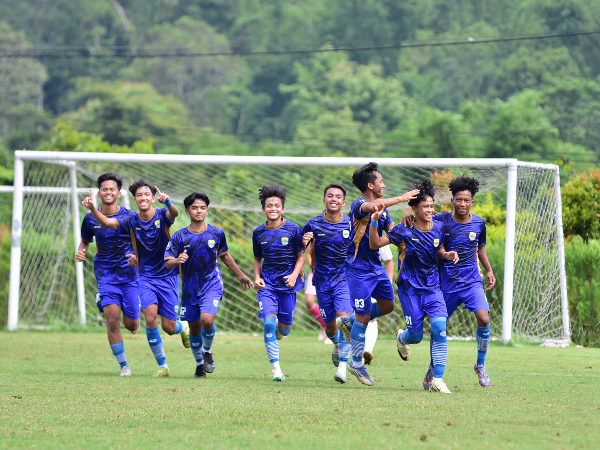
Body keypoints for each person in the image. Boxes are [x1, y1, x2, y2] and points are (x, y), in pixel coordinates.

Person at [82, 180, 190, 378]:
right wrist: (92, 210)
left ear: (153, 197)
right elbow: (107, 223)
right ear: (135, 199)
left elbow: (174, 214)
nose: (143, 198)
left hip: (167, 275)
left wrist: (168, 202)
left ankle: (183, 326)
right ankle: (163, 366)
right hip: (145, 276)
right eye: (139, 195)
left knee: (168, 326)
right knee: (150, 319)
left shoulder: (161, 214)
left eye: (147, 194)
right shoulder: (131, 220)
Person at [403, 175, 495, 388]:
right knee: (439, 326)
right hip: (446, 282)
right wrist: (408, 216)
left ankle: (480, 365)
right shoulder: (442, 220)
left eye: (467, 200)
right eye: (459, 200)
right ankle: (434, 368)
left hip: (472, 280)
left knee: (484, 318)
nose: (462, 204)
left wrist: (489, 270)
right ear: (452, 200)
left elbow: (480, 248)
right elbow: (422, 222)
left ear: (472, 202)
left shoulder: (480, 223)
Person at [369, 180, 458, 394]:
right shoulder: (404, 229)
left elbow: (440, 248)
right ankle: (402, 337)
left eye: (432, 206)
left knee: (439, 329)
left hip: (433, 288)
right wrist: (374, 222)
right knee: (416, 336)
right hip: (409, 289)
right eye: (425, 207)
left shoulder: (439, 227)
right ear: (414, 209)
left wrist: (447, 255)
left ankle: (437, 379)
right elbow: (374, 244)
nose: (429, 210)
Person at [336, 162, 419, 386]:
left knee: (387, 306)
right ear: (371, 185)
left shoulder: (384, 212)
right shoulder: (359, 204)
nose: (384, 184)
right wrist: (403, 197)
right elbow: (375, 207)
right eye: (381, 181)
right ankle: (357, 364)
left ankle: (348, 322)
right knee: (364, 316)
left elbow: (392, 233)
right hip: (358, 269)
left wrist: (407, 225)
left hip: (376, 267)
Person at [165, 192, 253, 378]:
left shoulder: (217, 233)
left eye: (202, 207)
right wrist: (177, 260)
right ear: (187, 211)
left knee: (207, 320)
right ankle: (199, 364)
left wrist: (241, 276)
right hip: (190, 288)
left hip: (212, 283)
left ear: (207, 210)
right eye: (195, 208)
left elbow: (225, 256)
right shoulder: (180, 236)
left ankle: (207, 351)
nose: (199, 211)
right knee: (195, 327)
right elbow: (167, 261)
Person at [76, 173, 139, 377]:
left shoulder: (129, 217)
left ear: (118, 193)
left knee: (132, 326)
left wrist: (138, 257)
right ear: (99, 193)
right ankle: (124, 366)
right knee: (112, 321)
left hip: (129, 276)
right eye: (104, 189)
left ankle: (131, 309)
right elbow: (86, 241)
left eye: (112, 189)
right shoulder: (88, 219)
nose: (108, 192)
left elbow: (142, 243)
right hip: (106, 275)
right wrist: (82, 250)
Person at [252, 185, 305, 382]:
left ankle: (279, 332)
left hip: (288, 285)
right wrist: (257, 277)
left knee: (284, 329)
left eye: (277, 205)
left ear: (282, 209)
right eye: (269, 205)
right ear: (263, 209)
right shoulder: (258, 233)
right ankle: (276, 370)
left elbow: (301, 256)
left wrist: (294, 275)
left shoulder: (293, 229)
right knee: (268, 323)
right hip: (268, 285)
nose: (273, 208)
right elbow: (257, 259)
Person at [301, 183, 353, 383]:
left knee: (345, 322)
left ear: (343, 202)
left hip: (343, 280)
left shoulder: (350, 224)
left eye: (338, 196)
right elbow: (301, 246)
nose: (334, 199)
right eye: (330, 196)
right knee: (331, 328)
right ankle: (337, 344)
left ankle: (342, 368)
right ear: (324, 201)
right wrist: (304, 243)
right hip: (321, 282)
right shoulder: (313, 224)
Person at [363, 245, 394, 365]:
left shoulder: (378, 238)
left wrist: (388, 283)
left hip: (374, 283)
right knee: (356, 316)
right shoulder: (349, 235)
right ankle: (352, 351)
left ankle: (367, 351)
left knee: (370, 317)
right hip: (354, 282)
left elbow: (389, 260)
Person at [303, 256, 328, 342]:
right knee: (309, 302)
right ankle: (325, 324)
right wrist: (313, 267)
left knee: (327, 302)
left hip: (330, 273)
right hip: (315, 273)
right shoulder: (312, 241)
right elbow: (309, 253)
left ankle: (330, 331)